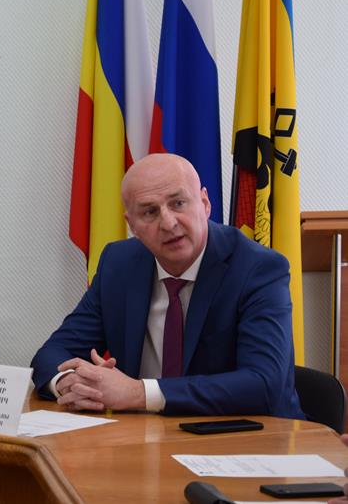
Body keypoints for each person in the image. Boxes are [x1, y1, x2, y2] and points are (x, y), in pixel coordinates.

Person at [31, 153, 303, 418]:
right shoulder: (119, 264)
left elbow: (264, 384)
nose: (169, 223)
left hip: (249, 438)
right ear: (132, 225)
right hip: (144, 436)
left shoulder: (257, 268)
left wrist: (138, 393)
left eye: (178, 203)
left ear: (205, 204)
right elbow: (52, 353)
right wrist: (70, 383)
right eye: (149, 212)